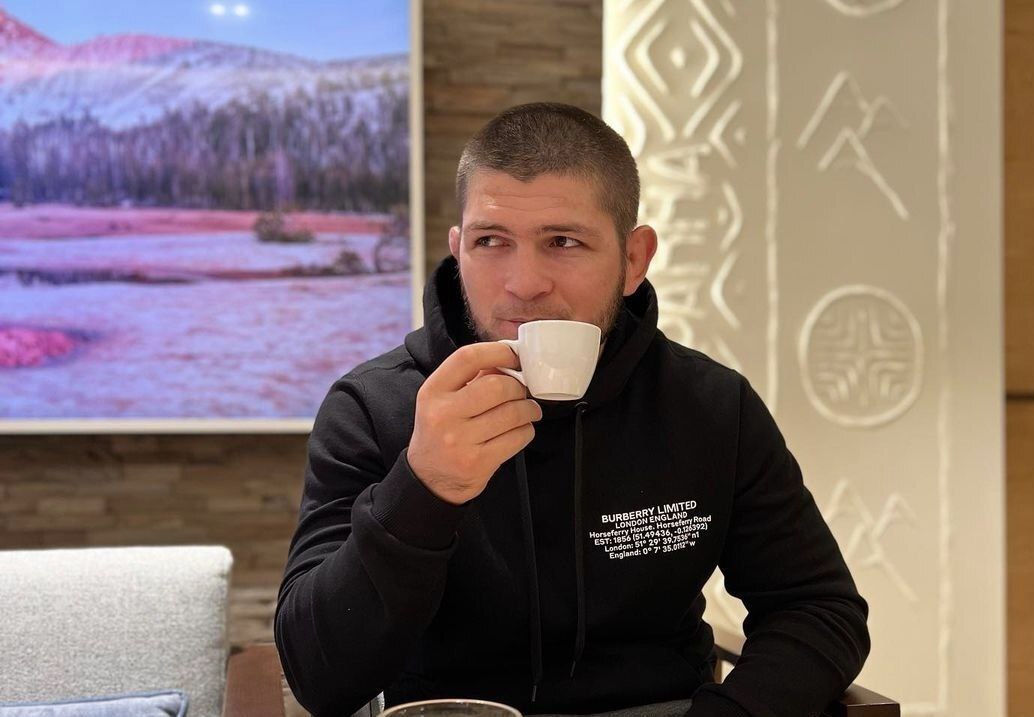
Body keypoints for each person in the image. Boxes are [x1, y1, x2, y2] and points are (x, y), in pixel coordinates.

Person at [275, 102, 870, 717]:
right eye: (490, 241)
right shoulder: (373, 407)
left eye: (563, 241)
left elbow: (819, 608)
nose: (524, 282)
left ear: (633, 260)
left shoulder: (710, 405)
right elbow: (320, 679)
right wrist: (424, 488)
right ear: (458, 251)